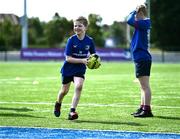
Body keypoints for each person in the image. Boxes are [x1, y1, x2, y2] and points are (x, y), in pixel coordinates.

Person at [54, 16, 96, 120]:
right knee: (64, 91)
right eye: (75, 25)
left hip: (80, 69)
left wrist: (95, 62)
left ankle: (72, 111)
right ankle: (58, 103)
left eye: (79, 26)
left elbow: (93, 55)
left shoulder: (90, 41)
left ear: (85, 28)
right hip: (68, 68)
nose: (77, 27)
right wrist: (82, 60)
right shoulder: (71, 40)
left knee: (78, 86)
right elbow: (68, 58)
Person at [127, 4, 153, 117]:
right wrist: (136, 11)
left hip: (142, 58)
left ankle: (147, 110)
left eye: (136, 14)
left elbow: (128, 20)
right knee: (142, 86)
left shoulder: (144, 22)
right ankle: (142, 107)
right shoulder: (141, 24)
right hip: (140, 58)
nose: (135, 17)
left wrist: (134, 11)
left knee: (145, 86)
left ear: (140, 13)